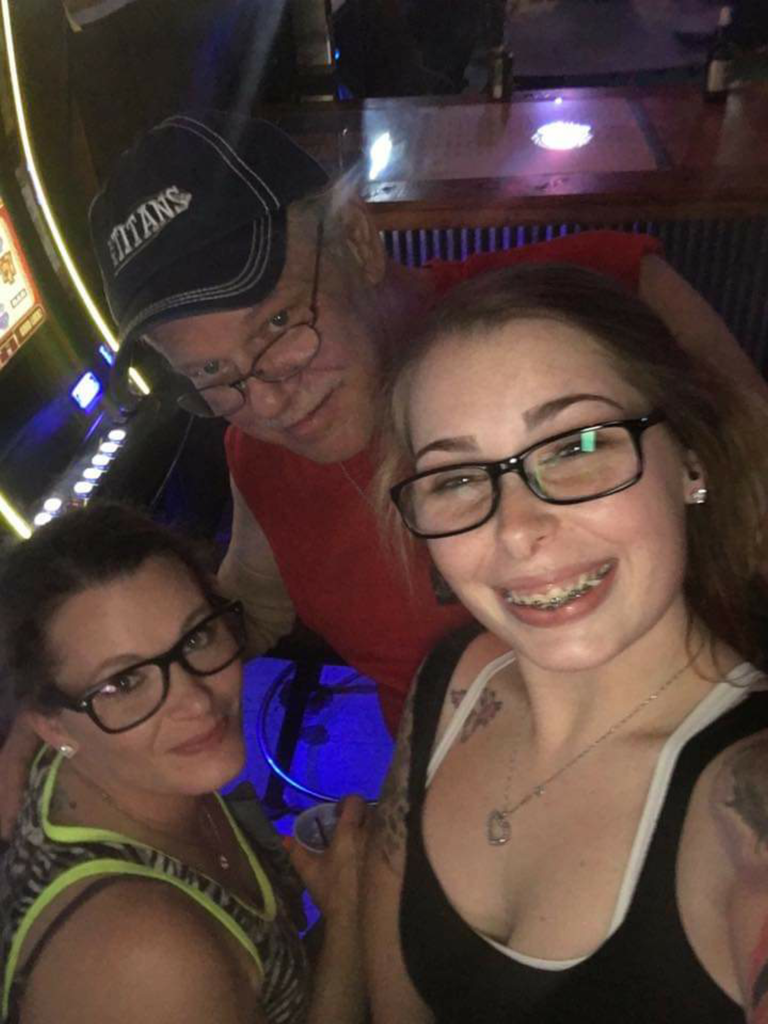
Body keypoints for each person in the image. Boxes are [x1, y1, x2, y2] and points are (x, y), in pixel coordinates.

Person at [1, 109, 765, 838]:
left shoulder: (591, 301)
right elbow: (247, 607)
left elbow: (751, 494)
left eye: (278, 325)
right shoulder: (259, 456)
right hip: (459, 811)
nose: (266, 398)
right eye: (210, 373)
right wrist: (56, 713)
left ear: (359, 241)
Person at [363, 262, 768, 1022]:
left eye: (577, 445)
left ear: (690, 459)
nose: (517, 528)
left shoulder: (746, 786)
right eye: (457, 479)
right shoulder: (453, 684)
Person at [0, 502, 367, 1024]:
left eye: (195, 638)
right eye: (125, 682)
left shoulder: (121, 759)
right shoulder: (146, 958)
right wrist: (350, 916)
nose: (196, 701)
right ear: (52, 727)